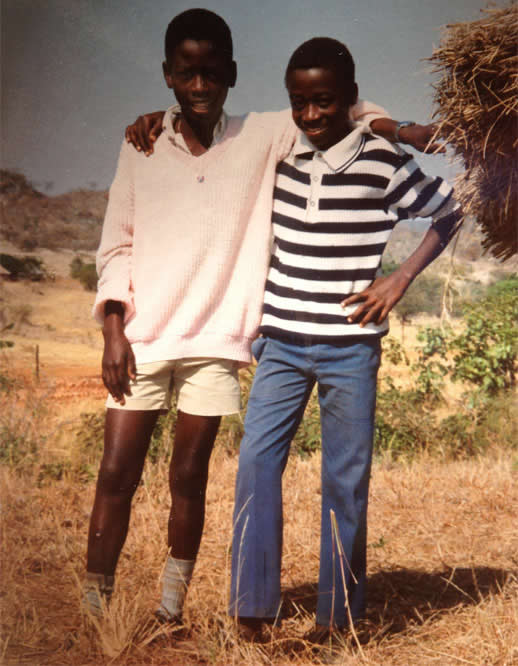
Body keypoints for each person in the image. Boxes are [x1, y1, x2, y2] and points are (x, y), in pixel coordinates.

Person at [86, 7, 441, 627]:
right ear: (167, 76)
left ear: (231, 74)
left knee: (267, 481)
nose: (200, 87)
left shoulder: (284, 138)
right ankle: (173, 605)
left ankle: (289, 616)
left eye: (212, 74)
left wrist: (403, 131)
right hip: (208, 337)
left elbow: (344, 107)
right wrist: (113, 326)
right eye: (186, 74)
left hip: (285, 341)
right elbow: (116, 243)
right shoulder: (170, 144)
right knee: (183, 471)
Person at [228, 37, 462, 643]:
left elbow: (450, 212)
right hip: (279, 339)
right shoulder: (280, 155)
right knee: (255, 462)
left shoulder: (383, 160)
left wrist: (400, 279)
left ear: (350, 100)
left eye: (325, 102)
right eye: (299, 103)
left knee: (345, 477)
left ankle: (338, 620)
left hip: (350, 345)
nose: (311, 117)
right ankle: (252, 609)